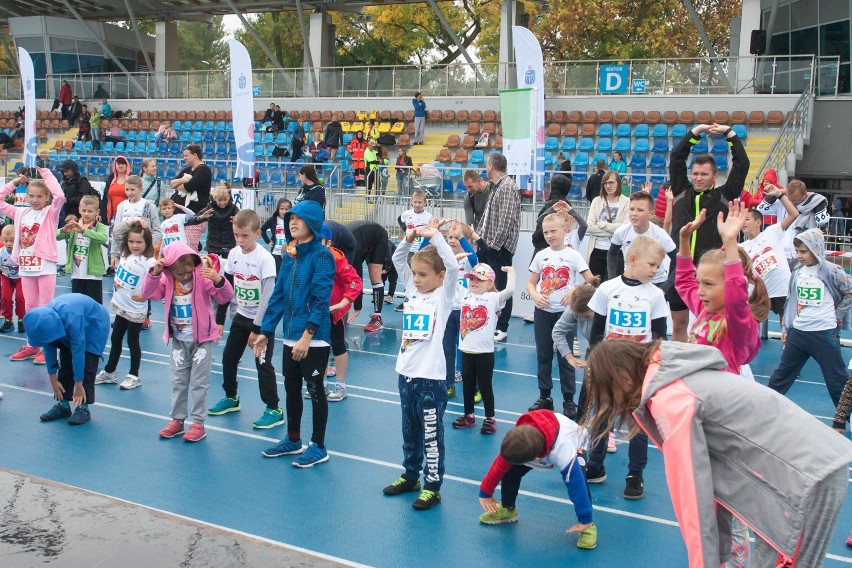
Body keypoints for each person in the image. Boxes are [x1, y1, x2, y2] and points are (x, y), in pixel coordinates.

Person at [584, 339, 852, 568]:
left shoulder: (671, 399)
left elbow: (691, 491)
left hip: (808, 477)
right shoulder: (678, 377)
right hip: (803, 473)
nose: (612, 407)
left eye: (607, 397)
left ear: (624, 379)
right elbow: (712, 485)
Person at [585, 236, 670, 499]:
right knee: (602, 417)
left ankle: (635, 475)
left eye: (659, 266)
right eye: (652, 265)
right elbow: (596, 332)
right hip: (609, 366)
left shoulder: (655, 295)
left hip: (638, 370)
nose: (656, 271)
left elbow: (659, 336)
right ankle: (595, 464)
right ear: (632, 260)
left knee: (638, 424)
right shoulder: (607, 289)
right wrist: (595, 364)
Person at [382, 223, 458, 510]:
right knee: (409, 430)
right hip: (407, 375)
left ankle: (432, 485)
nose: (416, 279)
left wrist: (434, 237)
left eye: (423, 275)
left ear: (440, 277)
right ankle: (410, 475)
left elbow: (452, 265)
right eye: (415, 274)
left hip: (431, 379)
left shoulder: (444, 296)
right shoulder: (413, 291)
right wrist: (408, 238)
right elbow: (398, 260)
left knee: (430, 435)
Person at [255, 200, 335, 468]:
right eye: (290, 219)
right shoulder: (290, 255)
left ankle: (319, 446)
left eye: (298, 218)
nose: (292, 222)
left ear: (312, 223)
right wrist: (266, 330)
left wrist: (307, 335)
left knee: (315, 390)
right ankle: (292, 439)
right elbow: (277, 295)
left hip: (313, 337)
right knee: (290, 388)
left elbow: (321, 299)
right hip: (290, 334)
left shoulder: (322, 256)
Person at [143, 242, 234, 442]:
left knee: (199, 383)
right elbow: (149, 293)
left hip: (202, 341)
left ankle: (198, 423)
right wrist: (154, 274)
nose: (185, 276)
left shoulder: (202, 279)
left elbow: (227, 296)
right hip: (179, 341)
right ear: (170, 270)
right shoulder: (167, 281)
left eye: (187, 272)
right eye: (180, 273)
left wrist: (218, 279)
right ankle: (177, 420)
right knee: (178, 381)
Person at [668, 123, 749, 342]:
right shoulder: (681, 191)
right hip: (681, 268)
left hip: (710, 270)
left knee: (713, 324)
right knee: (678, 323)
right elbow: (676, 157)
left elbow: (742, 164)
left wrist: (728, 133)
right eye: (695, 173)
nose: (698, 178)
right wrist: (696, 131)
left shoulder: (726, 194)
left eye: (704, 174)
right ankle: (681, 364)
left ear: (715, 176)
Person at [478, 410, 597, 549]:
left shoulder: (563, 449)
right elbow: (500, 463)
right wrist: (485, 492)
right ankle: (508, 508)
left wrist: (585, 518)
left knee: (580, 478)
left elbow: (575, 484)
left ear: (536, 460)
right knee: (510, 469)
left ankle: (588, 526)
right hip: (542, 442)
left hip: (577, 445)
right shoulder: (519, 436)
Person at [210, 210, 281, 428]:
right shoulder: (233, 254)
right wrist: (220, 320)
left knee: (262, 364)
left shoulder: (265, 259)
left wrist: (258, 329)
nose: (240, 241)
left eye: (245, 236)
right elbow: (226, 289)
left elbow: (267, 299)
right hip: (241, 316)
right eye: (236, 235)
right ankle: (231, 397)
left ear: (258, 233)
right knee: (229, 359)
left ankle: (273, 408)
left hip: (262, 323)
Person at [767, 228, 852, 410]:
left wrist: (838, 316)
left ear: (816, 249)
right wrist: (785, 329)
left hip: (824, 334)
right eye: (797, 251)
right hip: (798, 334)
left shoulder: (832, 270)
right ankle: (763, 409)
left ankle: (846, 416)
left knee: (837, 380)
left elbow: (849, 291)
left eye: (803, 251)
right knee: (780, 377)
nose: (799, 256)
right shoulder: (797, 272)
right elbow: (791, 301)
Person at [528, 212, 597, 418]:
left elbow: (591, 280)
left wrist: (574, 291)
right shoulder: (541, 255)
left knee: (565, 356)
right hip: (543, 311)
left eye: (554, 231)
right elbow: (531, 283)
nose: (549, 235)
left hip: (565, 314)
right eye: (546, 232)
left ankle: (568, 399)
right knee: (543, 355)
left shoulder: (573, 255)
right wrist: (534, 296)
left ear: (565, 231)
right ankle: (545, 396)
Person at [0, 168, 65, 365]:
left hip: (44, 265)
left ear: (46, 198)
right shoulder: (21, 213)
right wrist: (15, 182)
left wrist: (47, 175)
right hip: (26, 266)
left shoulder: (50, 213)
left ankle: (48, 349)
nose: (35, 200)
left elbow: (60, 195)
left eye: (39, 196)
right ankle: (32, 345)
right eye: (31, 196)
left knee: (46, 308)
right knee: (30, 308)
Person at [26, 294, 110, 426]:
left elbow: (78, 352)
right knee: (65, 360)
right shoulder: (44, 320)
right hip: (70, 321)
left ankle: (83, 407)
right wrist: (53, 380)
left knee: (88, 362)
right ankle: (63, 405)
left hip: (94, 323)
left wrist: (78, 384)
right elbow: (49, 348)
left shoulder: (72, 320)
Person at [453, 263, 515, 433]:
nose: (474, 282)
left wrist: (511, 272)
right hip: (466, 351)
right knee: (467, 386)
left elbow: (509, 291)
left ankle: (490, 418)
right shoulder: (465, 295)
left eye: (479, 279)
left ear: (489, 284)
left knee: (485, 386)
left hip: (484, 353)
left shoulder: (493, 298)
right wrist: (453, 262)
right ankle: (469, 415)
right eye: (472, 278)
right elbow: (450, 281)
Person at [305, 223, 362, 402]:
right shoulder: (305, 257)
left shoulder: (336, 258)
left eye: (318, 241)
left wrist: (344, 303)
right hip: (316, 310)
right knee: (318, 347)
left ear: (328, 242)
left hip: (335, 310)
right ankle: (320, 383)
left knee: (337, 345)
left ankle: (341, 385)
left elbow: (355, 281)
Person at [96, 223, 155, 391]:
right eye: (131, 242)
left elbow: (159, 283)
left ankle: (134, 375)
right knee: (115, 338)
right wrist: (134, 221)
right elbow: (117, 230)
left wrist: (147, 295)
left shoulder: (150, 261)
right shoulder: (124, 253)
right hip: (121, 304)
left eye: (139, 242)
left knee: (132, 341)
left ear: (147, 243)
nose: (134, 245)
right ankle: (109, 371)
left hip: (135, 308)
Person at [741, 186, 799, 336]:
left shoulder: (771, 232)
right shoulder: (742, 247)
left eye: (746, 219)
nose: (743, 223)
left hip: (781, 287)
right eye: (742, 221)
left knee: (786, 325)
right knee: (749, 324)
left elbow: (793, 214)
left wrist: (780, 196)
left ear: (758, 222)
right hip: (760, 292)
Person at [477, 154, 521, 342]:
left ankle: (502, 327)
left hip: (499, 248)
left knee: (502, 287)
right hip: (491, 245)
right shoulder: (498, 186)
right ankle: (492, 323)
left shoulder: (507, 187)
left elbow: (505, 220)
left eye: (487, 165)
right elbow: (489, 218)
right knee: (490, 287)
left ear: (491, 167)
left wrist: (492, 247)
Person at [607, 191, 676, 289]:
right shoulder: (621, 231)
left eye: (640, 210)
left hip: (656, 284)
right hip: (630, 282)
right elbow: (612, 254)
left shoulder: (661, 235)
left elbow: (678, 261)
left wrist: (665, 288)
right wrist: (612, 280)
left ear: (651, 214)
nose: (634, 214)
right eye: (631, 209)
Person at [757, 178, 830, 269]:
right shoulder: (782, 201)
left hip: (803, 253)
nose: (792, 203)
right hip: (783, 253)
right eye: (789, 199)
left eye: (796, 200)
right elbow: (760, 209)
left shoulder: (813, 203)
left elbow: (822, 221)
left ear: (805, 194)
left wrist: (818, 204)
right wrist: (777, 193)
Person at [57, 196, 108, 303]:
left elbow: (103, 238)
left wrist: (84, 231)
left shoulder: (99, 226)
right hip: (77, 273)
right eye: (84, 210)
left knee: (94, 304)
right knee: (77, 303)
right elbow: (56, 237)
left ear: (97, 212)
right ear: (79, 209)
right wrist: (64, 230)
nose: (86, 214)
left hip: (93, 274)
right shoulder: (74, 226)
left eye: (90, 211)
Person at [109, 175, 163, 270]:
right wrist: (114, 253)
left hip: (144, 255)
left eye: (132, 190)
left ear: (141, 189)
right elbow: (116, 231)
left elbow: (157, 231)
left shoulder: (149, 206)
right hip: (125, 252)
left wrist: (147, 246)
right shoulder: (121, 206)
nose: (129, 193)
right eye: (127, 189)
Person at [345, 220, 390, 331]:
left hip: (377, 236)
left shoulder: (350, 247)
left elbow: (357, 277)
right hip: (361, 237)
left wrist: (357, 308)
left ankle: (377, 318)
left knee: (374, 273)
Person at [585, 171, 629, 279]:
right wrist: (614, 229)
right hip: (597, 251)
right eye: (605, 183)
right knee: (595, 288)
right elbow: (590, 227)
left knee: (612, 288)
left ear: (618, 183)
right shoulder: (597, 201)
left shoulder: (626, 202)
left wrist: (602, 225)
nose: (608, 186)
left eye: (611, 182)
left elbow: (625, 228)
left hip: (616, 252)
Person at [531, 174, 588, 256]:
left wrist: (537, 240)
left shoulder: (553, 205)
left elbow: (540, 222)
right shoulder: (566, 205)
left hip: (545, 248)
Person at [170, 144, 213, 252]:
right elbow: (172, 183)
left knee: (189, 248)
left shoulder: (204, 170)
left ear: (195, 155)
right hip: (182, 215)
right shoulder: (187, 169)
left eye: (186, 156)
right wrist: (183, 180)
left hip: (196, 214)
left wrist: (181, 183)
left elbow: (188, 187)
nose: (184, 158)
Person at [196, 184, 238, 258]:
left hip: (228, 242)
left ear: (229, 198)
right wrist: (203, 216)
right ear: (214, 198)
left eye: (225, 200)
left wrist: (237, 220)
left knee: (229, 267)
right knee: (212, 266)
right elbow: (197, 217)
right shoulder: (210, 207)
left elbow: (242, 218)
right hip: (213, 243)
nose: (222, 203)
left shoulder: (233, 207)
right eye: (220, 200)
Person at [0, 224, 25, 333]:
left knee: (20, 297)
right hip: (6, 277)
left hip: (20, 278)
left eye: (12, 240)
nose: (9, 243)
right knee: (5, 298)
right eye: (6, 240)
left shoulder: (22, 251)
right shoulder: (1, 253)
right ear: (2, 239)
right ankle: (8, 320)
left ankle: (21, 319)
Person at [260, 198, 292, 273]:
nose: (284, 211)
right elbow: (262, 230)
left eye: (286, 209)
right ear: (278, 209)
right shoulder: (273, 220)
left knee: (287, 272)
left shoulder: (291, 219)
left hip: (289, 252)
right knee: (277, 273)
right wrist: (268, 241)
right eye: (282, 209)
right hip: (276, 252)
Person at [101, 156, 130, 225]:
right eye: (118, 164)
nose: (121, 166)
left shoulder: (131, 178)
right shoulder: (110, 179)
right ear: (115, 166)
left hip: (128, 215)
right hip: (113, 215)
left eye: (123, 164)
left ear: (127, 166)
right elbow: (105, 198)